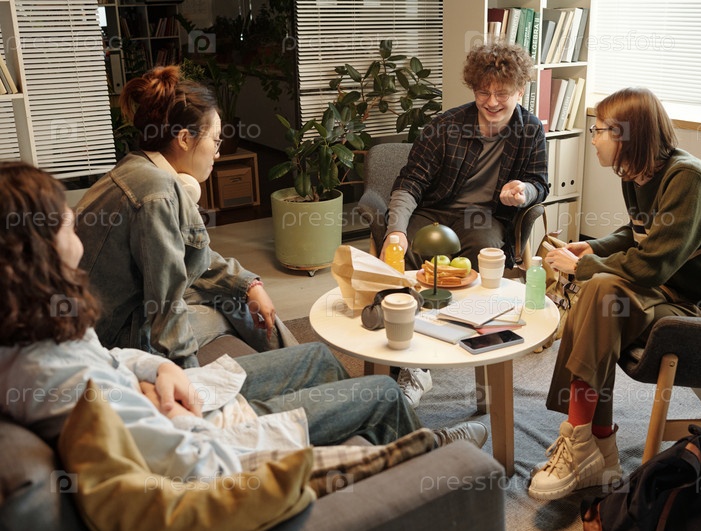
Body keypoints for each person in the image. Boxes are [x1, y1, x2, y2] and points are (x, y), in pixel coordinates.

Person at [0, 162, 488, 481]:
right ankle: (434, 462)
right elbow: (196, 465)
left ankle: (374, 452)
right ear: (32, 249)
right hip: (216, 435)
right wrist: (172, 409)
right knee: (382, 393)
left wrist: (155, 368)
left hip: (188, 400)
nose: (75, 217)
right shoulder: (55, 377)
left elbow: (109, 360)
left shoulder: (38, 328)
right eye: (61, 217)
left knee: (318, 358)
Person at [528, 87, 701, 501]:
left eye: (600, 130)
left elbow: (652, 265)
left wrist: (583, 267)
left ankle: (583, 443)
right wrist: (594, 248)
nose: (594, 138)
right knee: (602, 295)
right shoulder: (637, 175)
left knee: (601, 288)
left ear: (629, 136)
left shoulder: (687, 178)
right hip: (676, 295)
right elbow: (639, 233)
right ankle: (598, 447)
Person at [75, 65, 291, 369]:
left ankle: (293, 361)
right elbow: (165, 305)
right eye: (215, 141)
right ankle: (299, 364)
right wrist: (189, 380)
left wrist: (249, 285)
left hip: (117, 317)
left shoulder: (136, 168)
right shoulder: (157, 195)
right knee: (230, 304)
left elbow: (189, 256)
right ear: (185, 139)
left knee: (236, 293)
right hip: (116, 339)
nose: (217, 154)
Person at [380, 42, 549, 407]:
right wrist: (396, 230)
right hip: (435, 210)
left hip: (483, 215)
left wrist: (524, 192)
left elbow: (540, 183)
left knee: (485, 254)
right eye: (483, 92)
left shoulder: (531, 130)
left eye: (502, 93)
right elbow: (410, 182)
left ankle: (472, 340)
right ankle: (411, 365)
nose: (492, 102)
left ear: (521, 90)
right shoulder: (445, 126)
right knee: (411, 256)